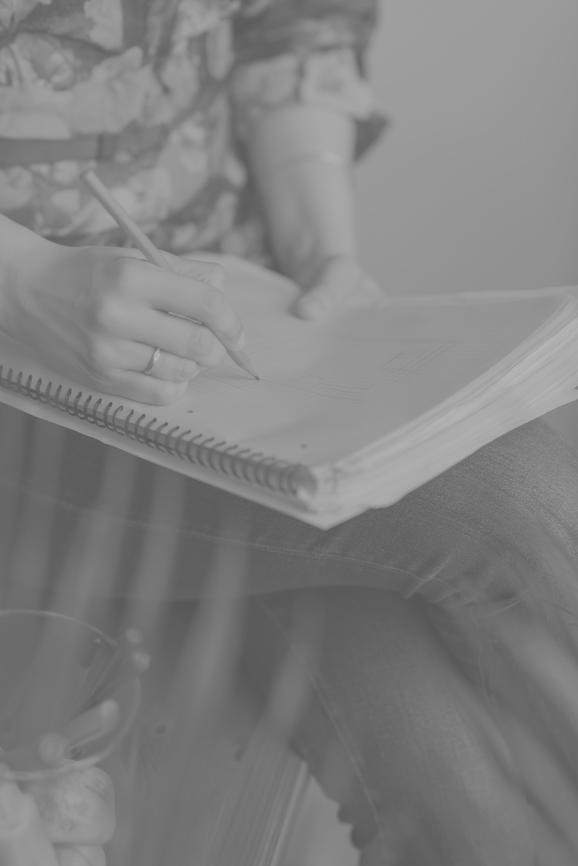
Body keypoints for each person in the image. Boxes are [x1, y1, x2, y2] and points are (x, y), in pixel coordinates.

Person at [0, 1, 577, 864]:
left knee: (456, 784)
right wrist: (25, 283)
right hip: (26, 395)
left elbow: (292, 18)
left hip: (241, 304)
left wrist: (319, 252)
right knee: (522, 496)